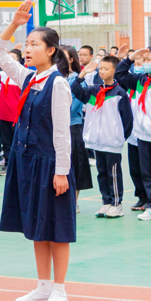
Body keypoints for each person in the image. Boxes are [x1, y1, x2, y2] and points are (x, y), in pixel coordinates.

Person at [0, 0, 75, 301]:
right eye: (26, 44)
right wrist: (14, 24)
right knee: (37, 225)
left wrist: (61, 172)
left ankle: (60, 289)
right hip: (26, 160)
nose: (27, 49)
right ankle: (43, 286)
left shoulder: (58, 84)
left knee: (57, 228)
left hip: (49, 163)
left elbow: (62, 133)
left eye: (34, 44)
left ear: (51, 50)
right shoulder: (28, 77)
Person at [115, 44, 151, 222]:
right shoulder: (140, 80)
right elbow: (120, 74)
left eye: (149, 60)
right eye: (143, 60)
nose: (145, 63)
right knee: (146, 171)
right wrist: (130, 58)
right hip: (142, 133)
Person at [72, 56, 133, 217]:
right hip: (96, 141)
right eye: (101, 68)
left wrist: (119, 136)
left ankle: (116, 204)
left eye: (106, 69)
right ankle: (106, 202)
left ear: (114, 70)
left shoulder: (120, 93)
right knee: (102, 173)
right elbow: (75, 89)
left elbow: (127, 120)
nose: (102, 71)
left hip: (112, 141)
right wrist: (82, 74)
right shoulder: (93, 90)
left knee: (113, 173)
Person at [62, 46, 94, 212]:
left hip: (72, 127)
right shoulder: (55, 77)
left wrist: (58, 117)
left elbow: (74, 104)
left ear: (71, 59)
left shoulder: (76, 79)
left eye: (62, 56)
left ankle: (73, 202)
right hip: (56, 128)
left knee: (74, 164)